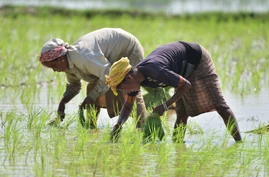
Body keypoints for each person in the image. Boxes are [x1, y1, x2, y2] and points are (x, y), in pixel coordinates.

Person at [106, 41, 242, 142]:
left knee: (220, 105)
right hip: (180, 70)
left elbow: (186, 85)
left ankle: (239, 142)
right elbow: (128, 105)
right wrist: (119, 125)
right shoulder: (135, 81)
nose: (124, 91)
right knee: (182, 112)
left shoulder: (154, 70)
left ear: (128, 78)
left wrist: (165, 106)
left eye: (122, 88)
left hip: (197, 59)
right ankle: (178, 147)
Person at [39, 28, 147, 128]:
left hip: (127, 49)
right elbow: (74, 86)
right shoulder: (68, 65)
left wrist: (90, 97)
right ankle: (91, 127)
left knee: (131, 90)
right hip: (110, 56)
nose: (54, 70)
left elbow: (107, 76)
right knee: (92, 88)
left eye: (53, 66)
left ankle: (143, 129)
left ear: (60, 59)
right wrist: (63, 103)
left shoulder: (83, 57)